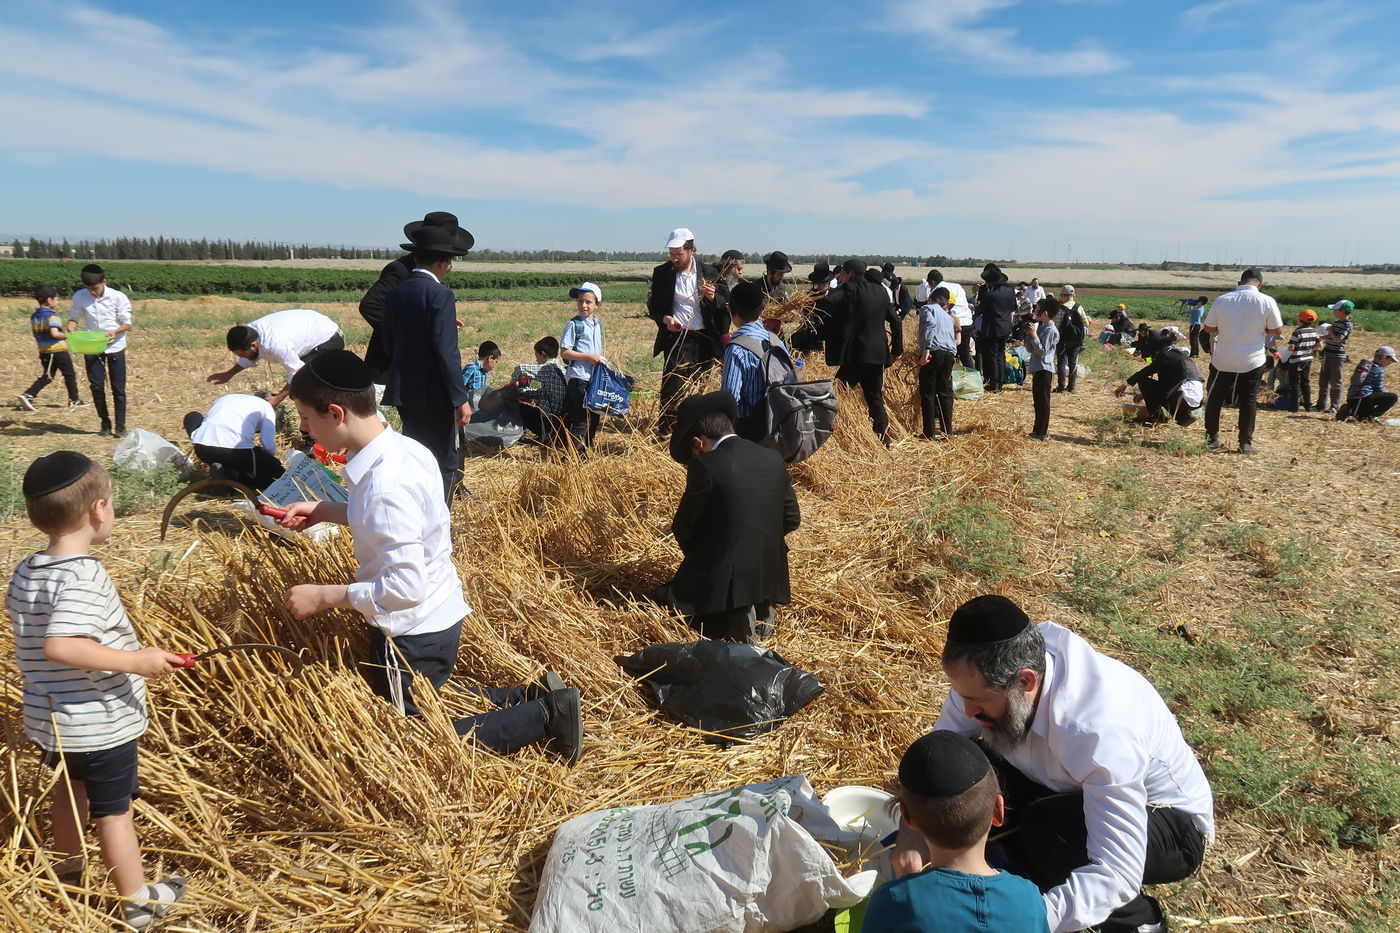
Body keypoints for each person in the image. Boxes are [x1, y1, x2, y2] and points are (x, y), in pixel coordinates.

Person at [276, 351, 584, 763]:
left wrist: (325, 596)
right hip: (439, 611)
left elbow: (404, 586)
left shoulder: (384, 486)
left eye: (305, 417)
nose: (303, 427)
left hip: (410, 629)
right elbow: (396, 523)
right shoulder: (403, 449)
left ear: (335, 413)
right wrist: (322, 509)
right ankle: (531, 694)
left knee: (411, 739)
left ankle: (547, 715)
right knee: (425, 691)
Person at [895, 595, 1213, 933]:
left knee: (1048, 830)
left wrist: (1024, 920)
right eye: (961, 696)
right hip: (1061, 784)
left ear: (1026, 682)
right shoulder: (989, 677)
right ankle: (1025, 872)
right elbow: (942, 753)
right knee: (963, 773)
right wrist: (913, 832)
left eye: (977, 700)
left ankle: (1138, 922)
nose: (967, 710)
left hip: (1167, 822)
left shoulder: (1099, 731)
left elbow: (1118, 872)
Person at [8, 451, 188, 929]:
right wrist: (137, 661)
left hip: (53, 721)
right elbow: (62, 645)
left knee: (70, 793)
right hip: (98, 722)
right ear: (99, 510)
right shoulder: (85, 574)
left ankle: (69, 873)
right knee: (114, 813)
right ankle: (138, 902)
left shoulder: (28, 569)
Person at [651, 392, 800, 642]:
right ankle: (761, 606)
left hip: (729, 576)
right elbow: (792, 518)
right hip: (771, 570)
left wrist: (706, 564)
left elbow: (684, 527)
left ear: (698, 443)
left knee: (662, 601)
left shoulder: (706, 465)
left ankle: (737, 612)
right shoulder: (773, 458)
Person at [867, 731, 1050, 933]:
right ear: (998, 810)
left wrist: (904, 887)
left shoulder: (892, 902)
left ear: (907, 819)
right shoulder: (1030, 899)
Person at [380, 219, 476, 501]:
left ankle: (414, 511)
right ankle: (439, 523)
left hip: (403, 391)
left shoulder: (396, 293)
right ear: (444, 262)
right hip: (435, 394)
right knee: (444, 462)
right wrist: (460, 398)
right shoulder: (440, 295)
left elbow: (388, 342)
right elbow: (447, 352)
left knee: (415, 457)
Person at [358, 211, 472, 382]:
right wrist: (404, 338)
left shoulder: (423, 270)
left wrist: (436, 320)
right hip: (388, 370)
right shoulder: (399, 270)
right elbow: (371, 305)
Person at [646, 228, 730, 433]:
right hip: (678, 337)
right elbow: (654, 305)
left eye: (679, 254)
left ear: (692, 249)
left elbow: (725, 301)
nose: (674, 258)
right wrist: (665, 319)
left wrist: (712, 297)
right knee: (672, 386)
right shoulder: (662, 273)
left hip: (704, 338)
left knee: (699, 384)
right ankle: (666, 431)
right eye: (671, 254)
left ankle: (694, 429)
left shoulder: (710, 273)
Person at [819, 259, 904, 444]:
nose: (840, 278)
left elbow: (829, 300)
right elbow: (896, 321)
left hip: (856, 355)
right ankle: (884, 439)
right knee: (875, 399)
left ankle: (828, 435)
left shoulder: (850, 288)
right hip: (878, 355)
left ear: (849, 274)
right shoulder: (881, 291)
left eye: (842, 274)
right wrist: (897, 349)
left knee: (837, 393)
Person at [1201, 268, 1283, 454]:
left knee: (1215, 398)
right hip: (1251, 360)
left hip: (1223, 358)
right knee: (1248, 400)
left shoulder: (1223, 299)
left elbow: (1208, 328)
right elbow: (1277, 330)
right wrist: (1262, 330)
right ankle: (1245, 443)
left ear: (1239, 283)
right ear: (1260, 284)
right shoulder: (1267, 301)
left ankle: (1212, 438)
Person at [207, 308, 345, 406]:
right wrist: (228, 374)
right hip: (312, 330)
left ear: (253, 345)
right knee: (300, 387)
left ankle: (311, 438)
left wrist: (278, 398)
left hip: (329, 338)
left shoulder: (275, 344)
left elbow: (297, 371)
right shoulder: (250, 333)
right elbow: (248, 357)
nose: (242, 357)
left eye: (242, 354)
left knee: (307, 383)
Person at [722, 281, 793, 443]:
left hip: (751, 430)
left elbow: (730, 400)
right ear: (761, 310)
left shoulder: (736, 349)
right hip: (781, 422)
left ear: (731, 311)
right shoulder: (776, 340)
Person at [67, 263, 131, 437]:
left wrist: (115, 331)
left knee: (118, 388)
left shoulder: (118, 297)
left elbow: (127, 323)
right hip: (92, 346)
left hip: (115, 346)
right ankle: (104, 422)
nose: (92, 293)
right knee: (96, 386)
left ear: (104, 281)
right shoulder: (80, 297)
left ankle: (120, 426)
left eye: (95, 288)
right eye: (89, 290)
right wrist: (71, 328)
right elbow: (73, 317)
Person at [181, 393, 285, 491]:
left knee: (193, 416)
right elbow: (268, 443)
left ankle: (222, 470)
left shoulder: (225, 398)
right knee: (272, 469)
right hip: (236, 453)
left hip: (203, 449)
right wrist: (269, 460)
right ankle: (229, 476)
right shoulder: (266, 407)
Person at [1114, 328, 1205, 425]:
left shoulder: (1164, 356)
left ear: (1156, 352)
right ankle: (1183, 415)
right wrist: (1144, 395)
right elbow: (1166, 385)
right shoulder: (1179, 355)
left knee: (1143, 381)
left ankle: (1156, 418)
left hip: (1183, 398)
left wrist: (1124, 385)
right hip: (1195, 400)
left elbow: (1143, 373)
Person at [18, 284, 81, 411]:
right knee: (69, 375)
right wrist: (68, 336)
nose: (58, 301)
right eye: (57, 299)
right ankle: (74, 400)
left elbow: (35, 333)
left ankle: (29, 394)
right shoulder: (52, 316)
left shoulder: (35, 316)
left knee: (48, 376)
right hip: (58, 351)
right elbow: (55, 334)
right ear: (49, 300)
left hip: (44, 351)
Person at [560, 282, 606, 448]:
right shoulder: (574, 325)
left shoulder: (597, 324)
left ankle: (588, 448)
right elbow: (564, 352)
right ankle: (575, 455)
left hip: (593, 378)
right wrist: (587, 357)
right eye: (580, 301)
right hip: (578, 378)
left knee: (594, 415)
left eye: (588, 302)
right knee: (581, 417)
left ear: (597, 305)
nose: (583, 305)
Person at [917, 286, 959, 439]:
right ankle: (948, 431)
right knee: (944, 393)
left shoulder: (927, 308)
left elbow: (930, 325)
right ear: (946, 303)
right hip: (949, 354)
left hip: (934, 352)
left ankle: (929, 433)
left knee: (928, 392)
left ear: (931, 297)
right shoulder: (949, 317)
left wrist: (926, 349)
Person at [512, 336, 568, 449]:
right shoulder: (560, 369)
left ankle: (518, 435)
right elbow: (543, 393)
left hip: (548, 422)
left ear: (543, 354)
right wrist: (522, 392)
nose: (536, 360)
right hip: (558, 420)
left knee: (517, 408)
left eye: (536, 356)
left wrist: (513, 383)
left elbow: (520, 368)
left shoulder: (548, 369)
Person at [974, 264, 1015, 392]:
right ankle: (1000, 382)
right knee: (1000, 354)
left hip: (992, 328)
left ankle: (994, 384)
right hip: (1005, 326)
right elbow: (1013, 306)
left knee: (992, 356)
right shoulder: (1009, 291)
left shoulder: (989, 296)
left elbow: (979, 310)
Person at [1025, 299, 1059, 441]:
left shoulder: (1051, 330)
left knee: (1043, 402)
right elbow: (1030, 349)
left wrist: (1034, 336)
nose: (1034, 311)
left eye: (1037, 309)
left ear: (1044, 313)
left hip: (1045, 369)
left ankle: (1042, 432)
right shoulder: (1042, 326)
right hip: (1038, 368)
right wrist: (1029, 336)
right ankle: (1036, 430)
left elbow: (1042, 351)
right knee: (1037, 401)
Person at [1336, 347, 1397, 422]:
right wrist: (1383, 397)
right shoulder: (1379, 369)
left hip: (1352, 398)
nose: (1390, 363)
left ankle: (1351, 410)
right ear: (1384, 357)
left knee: (1362, 416)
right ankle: (1370, 416)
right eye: (1390, 361)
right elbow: (1379, 388)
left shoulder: (1366, 366)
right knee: (1392, 397)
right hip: (1363, 399)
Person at [1315, 300, 1353, 413]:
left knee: (1336, 382)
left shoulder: (1347, 325)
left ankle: (1334, 406)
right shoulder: (1336, 323)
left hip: (1337, 355)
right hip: (1327, 352)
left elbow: (1337, 340)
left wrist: (1330, 331)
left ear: (1342, 311)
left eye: (1335, 310)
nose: (1333, 311)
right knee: (1323, 380)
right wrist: (1316, 336)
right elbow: (1329, 337)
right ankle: (1320, 405)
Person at [1052, 285, 1088, 393]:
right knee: (1073, 363)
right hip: (1076, 340)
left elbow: (1056, 326)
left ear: (1062, 296)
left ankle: (1061, 387)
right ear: (1073, 295)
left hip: (1063, 340)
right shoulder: (1079, 307)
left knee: (1062, 362)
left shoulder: (1060, 309)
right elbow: (1086, 323)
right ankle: (1072, 387)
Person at [1285, 310, 1321, 412]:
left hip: (1296, 360)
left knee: (1295, 383)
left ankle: (1294, 407)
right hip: (1308, 359)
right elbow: (1319, 345)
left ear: (1301, 320)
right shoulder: (1314, 331)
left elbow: (1291, 347)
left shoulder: (1297, 332)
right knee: (1305, 382)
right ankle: (1308, 406)